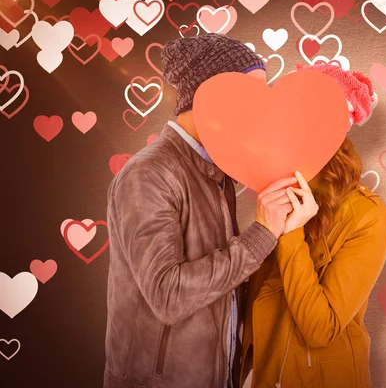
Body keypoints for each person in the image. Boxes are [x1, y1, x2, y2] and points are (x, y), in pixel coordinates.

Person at [103, 33, 298, 388]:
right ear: (211, 97)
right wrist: (261, 235)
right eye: (249, 97)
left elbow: (223, 282)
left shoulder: (216, 172)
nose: (259, 112)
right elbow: (168, 296)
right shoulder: (148, 174)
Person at [240, 63, 386, 388]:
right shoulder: (276, 192)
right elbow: (254, 304)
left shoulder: (367, 215)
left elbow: (319, 328)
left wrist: (292, 232)